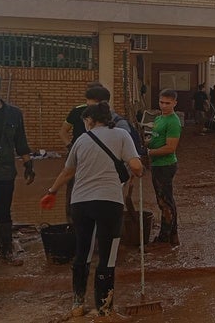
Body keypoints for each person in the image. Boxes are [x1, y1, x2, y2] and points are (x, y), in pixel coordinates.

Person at [41, 102, 143, 317]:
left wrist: (51, 191)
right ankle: (104, 310)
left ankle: (77, 304)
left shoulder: (81, 140)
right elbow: (135, 166)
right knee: (107, 257)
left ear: (90, 120)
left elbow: (68, 172)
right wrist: (139, 168)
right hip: (109, 203)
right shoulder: (122, 135)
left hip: (80, 204)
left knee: (83, 252)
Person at [59, 84, 130, 223]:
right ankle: (73, 221)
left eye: (91, 102)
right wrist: (72, 147)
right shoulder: (77, 112)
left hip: (101, 160)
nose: (87, 105)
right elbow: (62, 132)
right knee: (74, 188)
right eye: (87, 101)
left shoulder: (113, 119)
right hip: (80, 156)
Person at [0, 74, 35, 266]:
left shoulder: (14, 114)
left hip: (4, 173)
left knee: (3, 213)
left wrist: (28, 163)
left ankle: (6, 253)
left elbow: (20, 141)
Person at [147, 89, 183, 246]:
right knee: (165, 201)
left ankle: (165, 237)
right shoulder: (159, 118)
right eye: (161, 102)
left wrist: (149, 152)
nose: (164, 106)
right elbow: (155, 137)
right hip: (157, 164)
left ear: (175, 103)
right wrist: (147, 143)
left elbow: (170, 148)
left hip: (165, 165)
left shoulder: (173, 122)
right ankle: (172, 235)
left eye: (167, 103)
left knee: (165, 202)